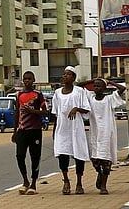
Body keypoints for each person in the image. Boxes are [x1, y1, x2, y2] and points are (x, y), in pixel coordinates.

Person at [78, 78, 126, 195]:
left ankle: (104, 185)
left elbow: (122, 89)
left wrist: (109, 82)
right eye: (95, 86)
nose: (96, 88)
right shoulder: (90, 98)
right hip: (95, 133)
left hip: (106, 133)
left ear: (104, 88)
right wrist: (93, 80)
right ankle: (99, 173)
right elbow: (79, 85)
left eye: (99, 86)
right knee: (95, 159)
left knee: (105, 159)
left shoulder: (110, 99)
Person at [51, 66, 90, 195]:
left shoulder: (79, 91)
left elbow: (86, 109)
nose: (65, 76)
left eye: (68, 74)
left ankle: (79, 182)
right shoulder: (57, 93)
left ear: (73, 77)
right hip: (63, 128)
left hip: (76, 128)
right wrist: (55, 131)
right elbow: (56, 113)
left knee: (78, 155)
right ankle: (66, 181)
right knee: (62, 154)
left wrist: (77, 109)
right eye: (64, 74)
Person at [11, 71, 48, 195]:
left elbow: (44, 112)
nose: (27, 81)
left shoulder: (38, 94)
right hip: (22, 130)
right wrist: (14, 130)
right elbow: (17, 113)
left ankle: (33, 183)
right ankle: (25, 180)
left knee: (35, 157)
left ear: (33, 80)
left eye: (29, 79)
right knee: (20, 156)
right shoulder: (19, 94)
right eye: (25, 79)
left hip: (35, 130)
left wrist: (32, 111)